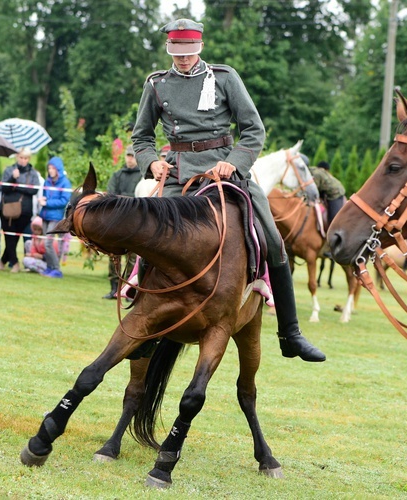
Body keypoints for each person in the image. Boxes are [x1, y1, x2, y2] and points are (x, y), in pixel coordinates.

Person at [131, 18, 324, 362]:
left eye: (189, 52)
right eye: (177, 52)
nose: (183, 58)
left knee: (271, 238)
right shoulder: (157, 84)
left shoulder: (224, 77)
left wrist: (234, 162)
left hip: (226, 168)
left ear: (200, 47)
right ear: (169, 49)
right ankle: (144, 324)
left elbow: (254, 130)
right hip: (178, 174)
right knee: (151, 236)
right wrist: (151, 162)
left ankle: (290, 333)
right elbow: (142, 136)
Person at [102, 145, 141, 299]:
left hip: (134, 223)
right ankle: (113, 289)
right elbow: (110, 196)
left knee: (132, 259)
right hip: (117, 222)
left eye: (132, 156)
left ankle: (129, 290)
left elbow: (141, 198)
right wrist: (128, 198)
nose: (130, 159)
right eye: (128, 155)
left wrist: (122, 197)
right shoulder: (117, 175)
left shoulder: (143, 177)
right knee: (114, 257)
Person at [0, 147, 40, 273]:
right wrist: (12, 178)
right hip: (6, 209)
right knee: (9, 237)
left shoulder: (33, 173)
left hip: (24, 211)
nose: (23, 160)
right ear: (17, 157)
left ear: (29, 159)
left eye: (26, 158)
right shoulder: (9, 170)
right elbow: (3, 188)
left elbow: (34, 190)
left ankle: (2, 261)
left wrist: (17, 187)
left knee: (14, 238)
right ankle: (14, 263)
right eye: (21, 157)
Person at [37, 156, 72, 278]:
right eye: (49, 168)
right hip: (45, 215)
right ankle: (49, 267)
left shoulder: (65, 183)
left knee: (48, 243)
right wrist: (43, 199)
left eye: (53, 168)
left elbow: (64, 201)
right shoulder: (47, 181)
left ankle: (56, 269)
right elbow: (47, 196)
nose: (50, 170)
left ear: (58, 169)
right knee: (46, 243)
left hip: (56, 217)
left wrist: (47, 203)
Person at [309, 160, 345, 227]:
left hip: (335, 194)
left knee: (333, 220)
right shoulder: (319, 172)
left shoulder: (316, 173)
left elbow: (314, 189)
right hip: (326, 192)